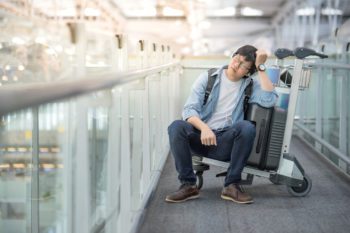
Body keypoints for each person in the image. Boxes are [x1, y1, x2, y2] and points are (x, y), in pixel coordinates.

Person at [165, 45, 278, 204]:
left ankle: (231, 185)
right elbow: (189, 109)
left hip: (224, 143)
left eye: (243, 65)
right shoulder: (209, 77)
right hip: (201, 138)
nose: (236, 65)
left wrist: (261, 66)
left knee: (246, 127)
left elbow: (270, 100)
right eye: (236, 59)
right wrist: (204, 128)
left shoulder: (249, 85)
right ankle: (188, 185)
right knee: (176, 126)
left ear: (248, 72)